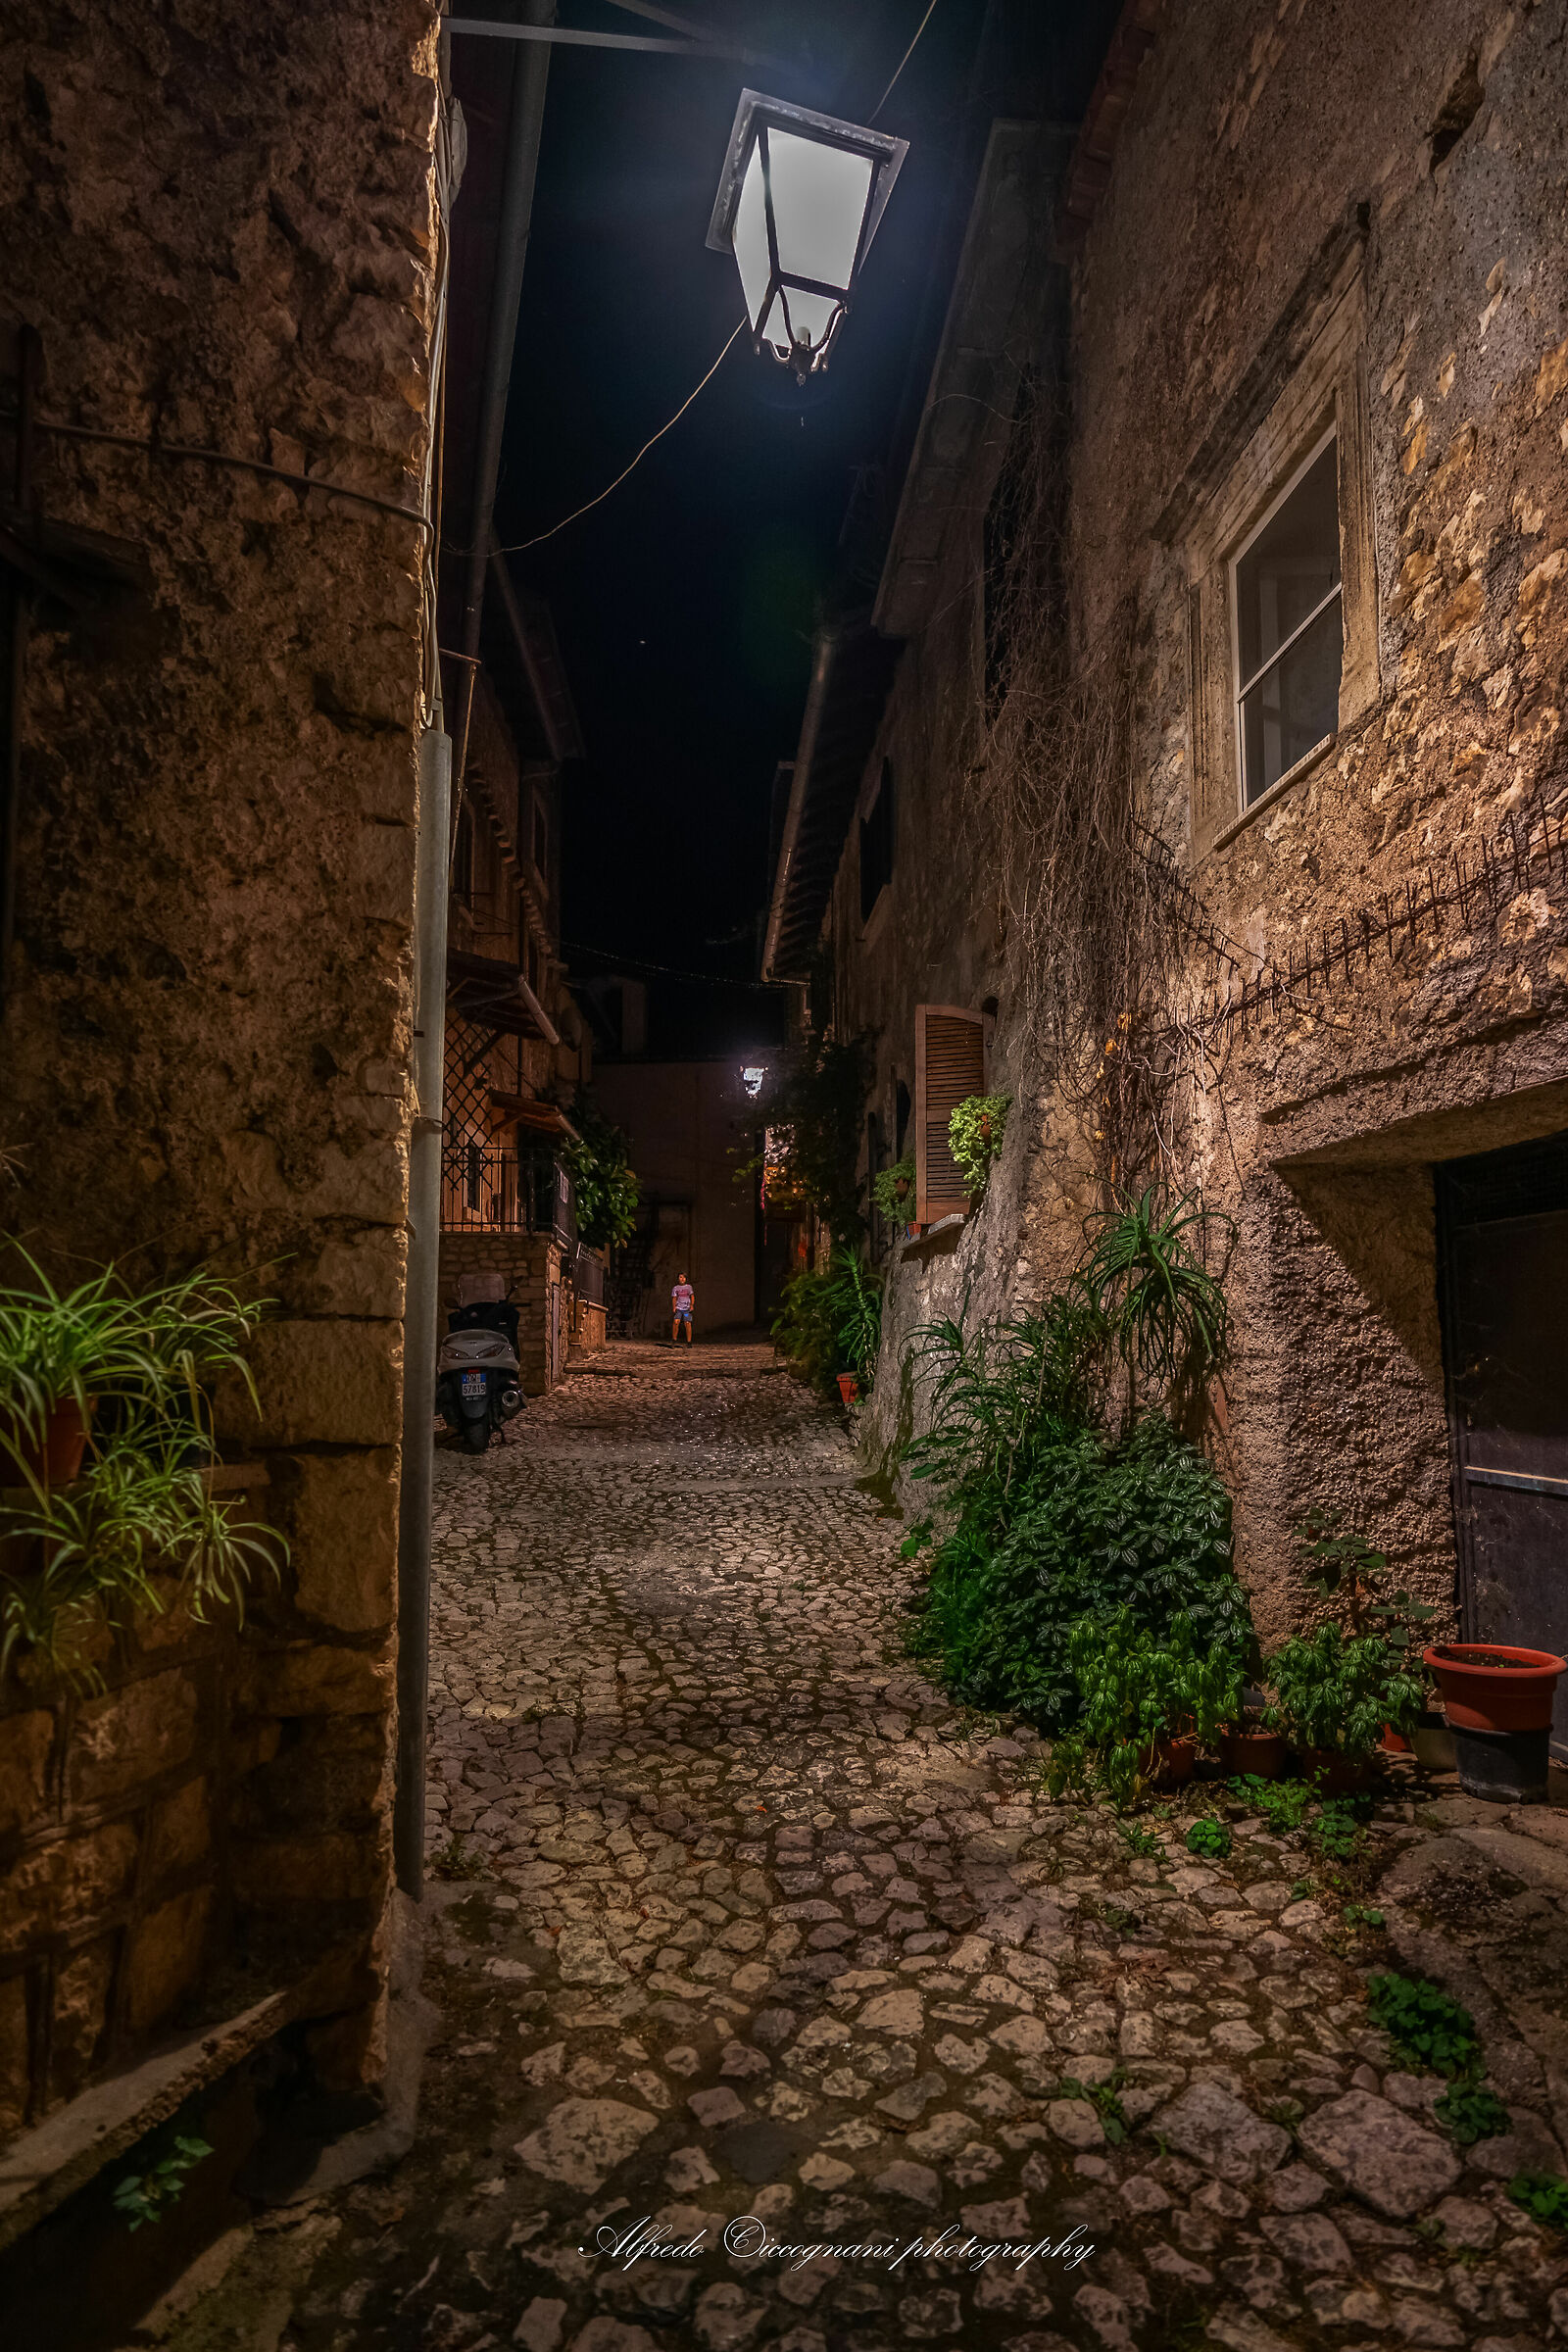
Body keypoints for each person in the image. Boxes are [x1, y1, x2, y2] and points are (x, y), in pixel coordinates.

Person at [670, 1272, 695, 1345]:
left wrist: (691, 1305)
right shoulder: (675, 1288)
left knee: (687, 1323)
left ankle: (689, 1342)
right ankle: (674, 1340)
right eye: (681, 1277)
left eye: (684, 1277)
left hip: (686, 1310)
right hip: (679, 1309)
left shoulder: (689, 1287)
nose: (682, 1279)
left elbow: (692, 1296)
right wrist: (674, 1307)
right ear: (678, 1278)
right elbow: (674, 1298)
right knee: (676, 1322)